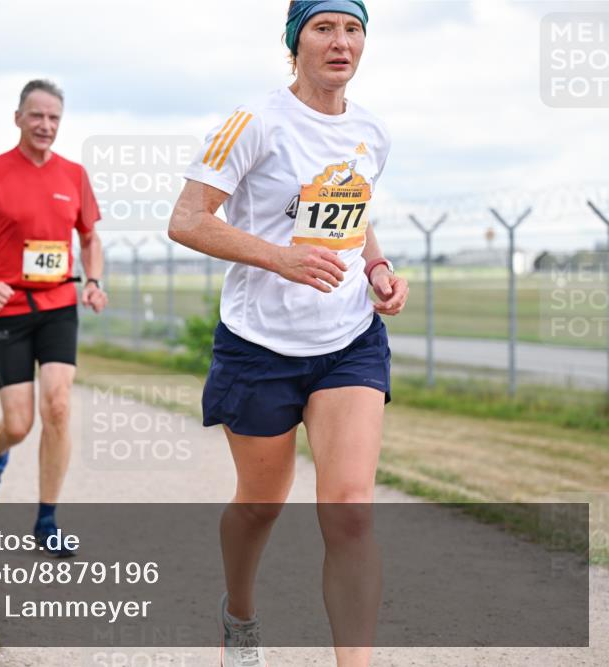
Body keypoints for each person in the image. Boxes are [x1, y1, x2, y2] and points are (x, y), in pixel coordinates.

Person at [168, 2, 409, 666]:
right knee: (260, 506)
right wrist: (280, 258)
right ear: (294, 43)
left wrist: (377, 267)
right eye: (323, 28)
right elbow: (187, 220)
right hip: (260, 345)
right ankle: (240, 616)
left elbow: (354, 216)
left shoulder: (372, 132)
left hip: (349, 340)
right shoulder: (254, 123)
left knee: (350, 510)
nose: (341, 42)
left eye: (353, 29)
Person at [0, 79, 108, 557]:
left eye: (54, 117)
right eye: (36, 115)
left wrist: (93, 281)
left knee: (57, 406)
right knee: (18, 425)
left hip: (58, 304)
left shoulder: (74, 175)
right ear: (18, 118)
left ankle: (47, 520)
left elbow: (90, 238)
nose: (45, 125)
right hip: (8, 308)